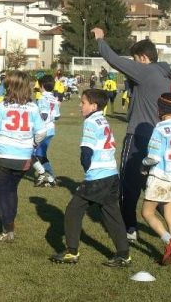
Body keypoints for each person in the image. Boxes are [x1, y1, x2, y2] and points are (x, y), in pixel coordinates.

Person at [93, 27, 171, 242]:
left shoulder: (145, 71)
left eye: (135, 59)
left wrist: (101, 39)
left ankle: (129, 228)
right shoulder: (165, 73)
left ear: (144, 58)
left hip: (139, 135)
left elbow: (112, 59)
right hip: (162, 138)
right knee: (157, 182)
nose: (133, 64)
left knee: (129, 183)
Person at [50, 89, 131, 267]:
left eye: (83, 102)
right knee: (111, 213)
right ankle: (123, 254)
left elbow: (86, 152)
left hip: (98, 176)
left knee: (73, 210)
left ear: (93, 106)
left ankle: (71, 252)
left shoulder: (90, 122)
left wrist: (88, 171)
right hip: (111, 173)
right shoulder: (103, 119)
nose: (80, 105)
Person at [0, 71, 46, 242]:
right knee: (12, 190)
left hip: (3, 155)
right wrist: (31, 144)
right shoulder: (33, 107)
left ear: (10, 87)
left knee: (2, 194)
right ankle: (9, 225)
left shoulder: (2, 106)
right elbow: (41, 132)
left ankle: (7, 228)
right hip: (24, 157)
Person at [141, 93, 171, 266]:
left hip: (161, 177)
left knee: (147, 213)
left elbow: (153, 158)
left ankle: (169, 241)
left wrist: (143, 166)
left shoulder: (160, 128)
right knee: (170, 214)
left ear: (161, 109)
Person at [33, 75, 61, 187]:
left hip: (43, 130)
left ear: (42, 86)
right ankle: (50, 177)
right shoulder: (54, 98)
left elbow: (43, 115)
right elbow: (57, 116)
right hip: (51, 130)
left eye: (39, 85)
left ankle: (46, 176)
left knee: (31, 153)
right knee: (40, 154)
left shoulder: (42, 98)